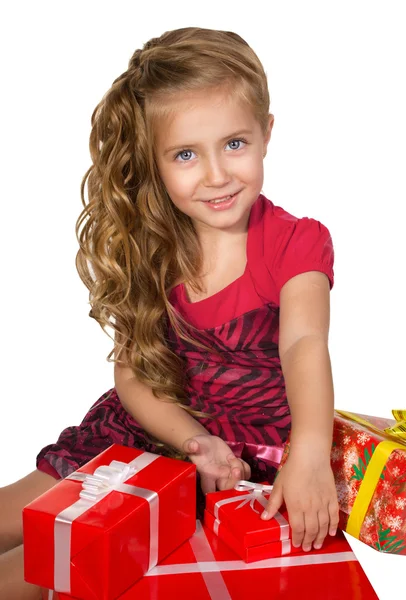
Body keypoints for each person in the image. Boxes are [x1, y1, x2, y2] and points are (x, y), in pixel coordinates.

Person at [0, 26, 339, 598]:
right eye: (186, 154)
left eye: (235, 143)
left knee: (37, 566)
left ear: (267, 133)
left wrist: (309, 452)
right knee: (15, 514)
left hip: (238, 461)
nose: (216, 174)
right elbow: (133, 372)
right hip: (154, 432)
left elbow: (304, 342)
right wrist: (191, 438)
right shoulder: (154, 246)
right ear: (154, 162)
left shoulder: (296, 244)